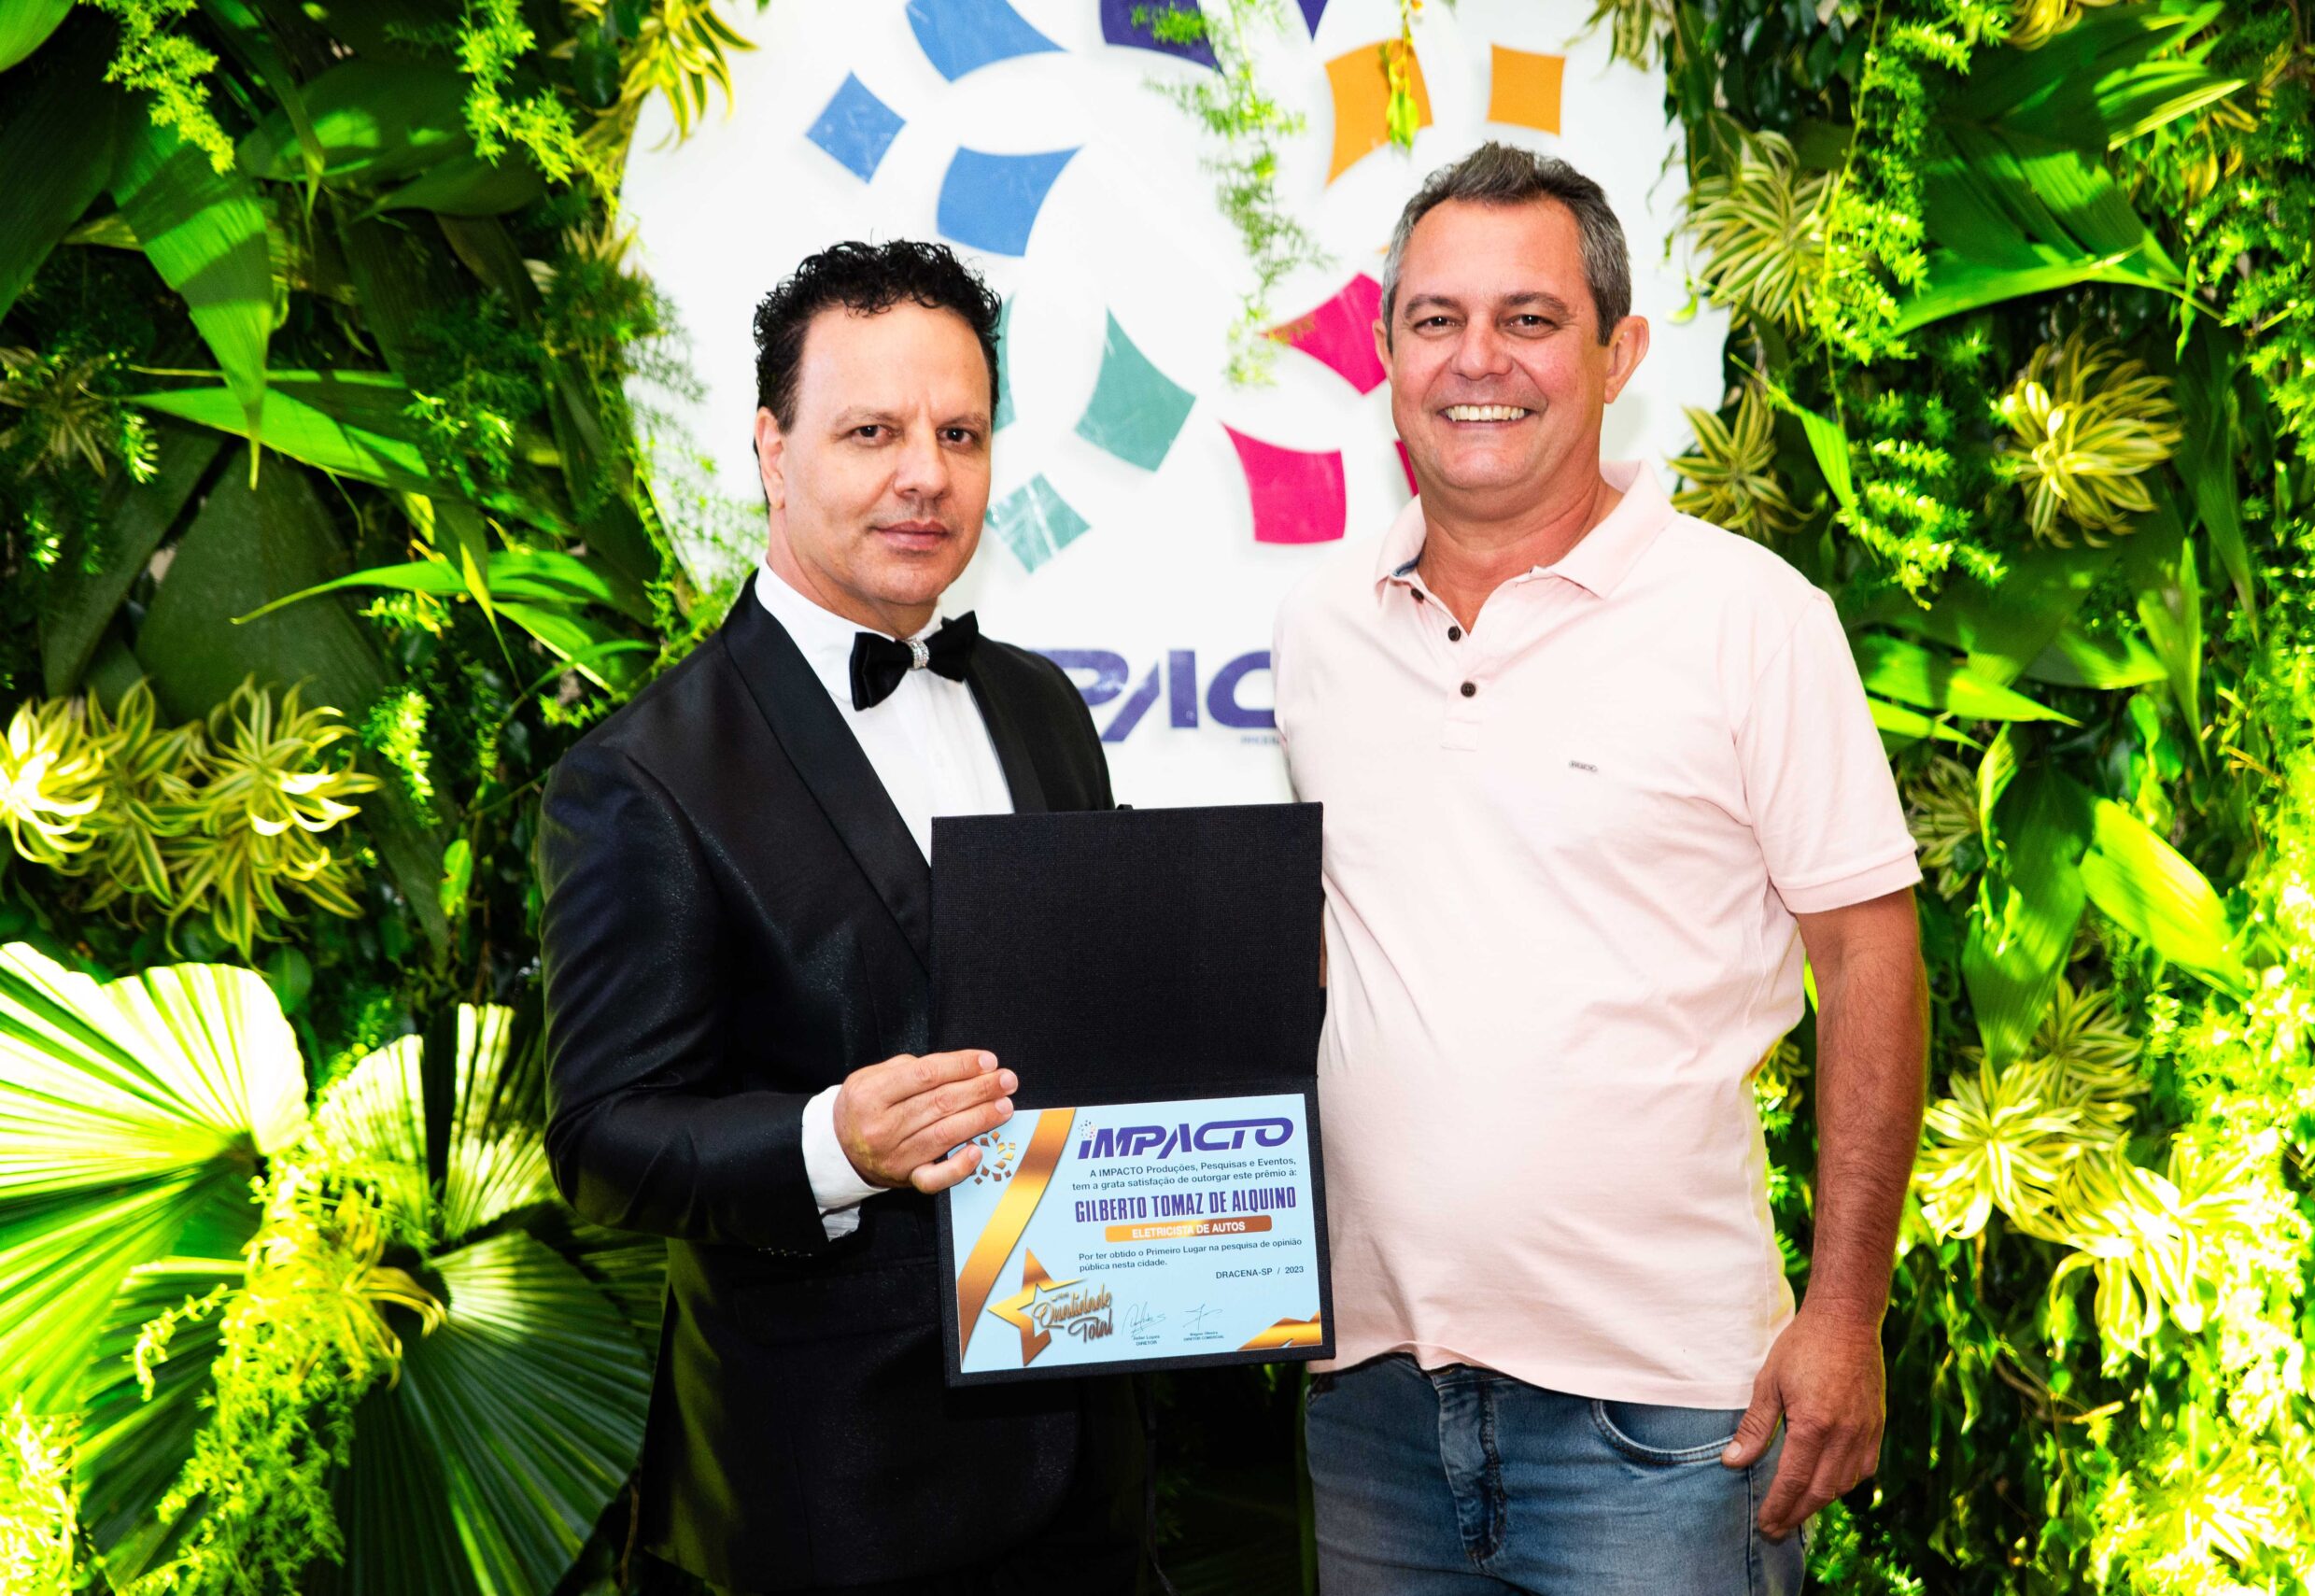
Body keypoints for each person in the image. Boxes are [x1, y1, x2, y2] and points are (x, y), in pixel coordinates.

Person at [1273, 142, 1928, 1593]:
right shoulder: (1321, 629)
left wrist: (1846, 1314)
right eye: (1436, 319)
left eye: (1530, 318)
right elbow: (1338, 964)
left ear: (1618, 352)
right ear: (1385, 354)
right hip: (1373, 1406)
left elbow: (1869, 955)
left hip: (1668, 1423)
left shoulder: (1750, 617)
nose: (1477, 360)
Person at [539, 240, 1141, 1596]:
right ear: (773, 448)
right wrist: (832, 1143)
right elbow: (600, 1137)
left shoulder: (1045, 707)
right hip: (825, 1505)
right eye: (872, 431)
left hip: (1088, 1492)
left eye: (960, 433)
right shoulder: (642, 775)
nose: (925, 473)